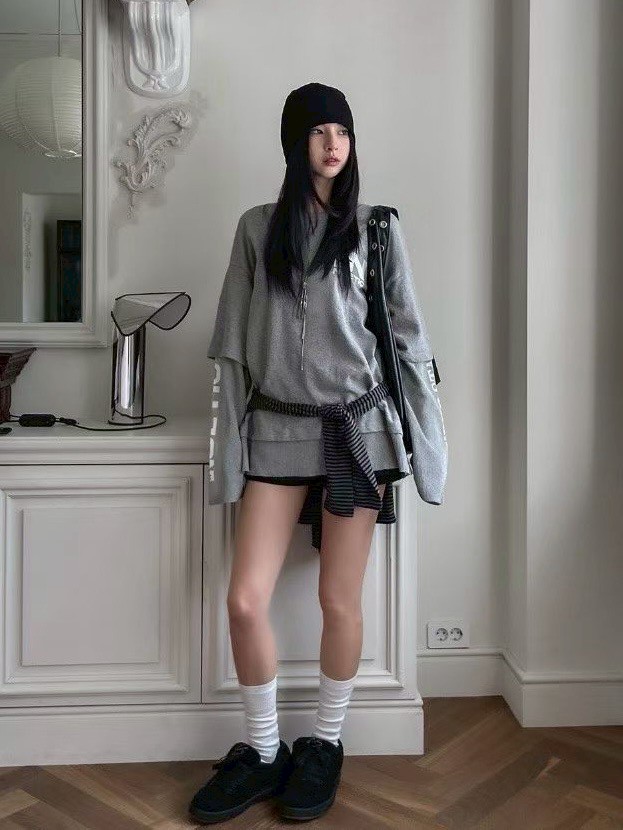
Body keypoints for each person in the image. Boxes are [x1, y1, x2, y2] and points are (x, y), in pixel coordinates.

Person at [189, 82, 448, 824]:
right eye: (317, 131)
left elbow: (409, 342)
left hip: (356, 435)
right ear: (293, 143)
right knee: (244, 600)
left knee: (339, 599)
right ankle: (265, 750)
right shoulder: (256, 229)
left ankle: (326, 743)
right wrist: (227, 454)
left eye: (342, 131)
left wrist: (427, 449)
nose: (333, 144)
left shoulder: (376, 230)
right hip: (275, 430)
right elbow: (231, 346)